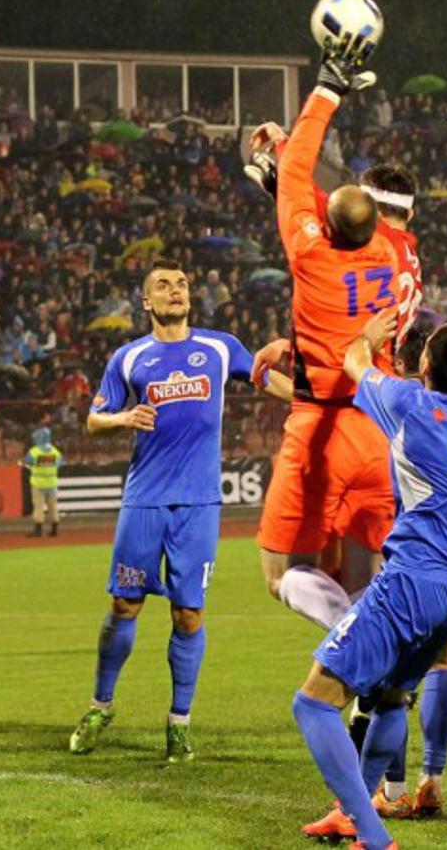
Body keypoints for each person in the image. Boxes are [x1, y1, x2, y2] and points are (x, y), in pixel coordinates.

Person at [294, 310, 447, 850]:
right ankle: (353, 811)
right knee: (391, 696)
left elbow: (354, 362)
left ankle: (373, 835)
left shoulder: (410, 401)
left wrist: (368, 338)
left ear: (424, 364)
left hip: (411, 580)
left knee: (312, 702)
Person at [71, 259, 290, 763]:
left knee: (189, 613)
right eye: (164, 285)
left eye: (183, 284)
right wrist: (124, 417)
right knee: (125, 604)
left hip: (199, 502)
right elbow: (93, 421)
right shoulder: (128, 357)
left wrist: (311, 401)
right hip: (144, 498)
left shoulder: (219, 347)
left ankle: (179, 724)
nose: (176, 291)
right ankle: (101, 706)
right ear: (146, 301)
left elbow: (265, 379)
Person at [251, 49, 402, 642]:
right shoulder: (386, 252)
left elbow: (297, 182)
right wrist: (286, 163)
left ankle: (358, 642)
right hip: (377, 429)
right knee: (364, 572)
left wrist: (325, 91)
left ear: (326, 228)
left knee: (280, 573)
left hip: (321, 427)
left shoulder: (312, 257)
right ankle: (381, 667)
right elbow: (317, 203)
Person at [22, 426, 62, 537]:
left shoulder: (34, 452)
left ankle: (38, 530)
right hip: (52, 483)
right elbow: (60, 463)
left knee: (38, 507)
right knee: (53, 507)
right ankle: (55, 529)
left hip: (38, 483)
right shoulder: (55, 451)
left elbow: (26, 462)